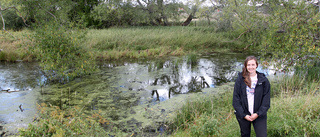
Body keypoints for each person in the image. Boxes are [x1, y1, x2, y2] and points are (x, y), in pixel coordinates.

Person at [232, 56, 270, 137]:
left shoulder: (263, 81)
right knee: (245, 135)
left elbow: (266, 101)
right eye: (248, 65)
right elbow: (236, 99)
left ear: (256, 65)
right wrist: (243, 115)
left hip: (259, 114)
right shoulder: (240, 80)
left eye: (253, 64)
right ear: (245, 66)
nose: (251, 67)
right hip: (244, 114)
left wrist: (258, 113)